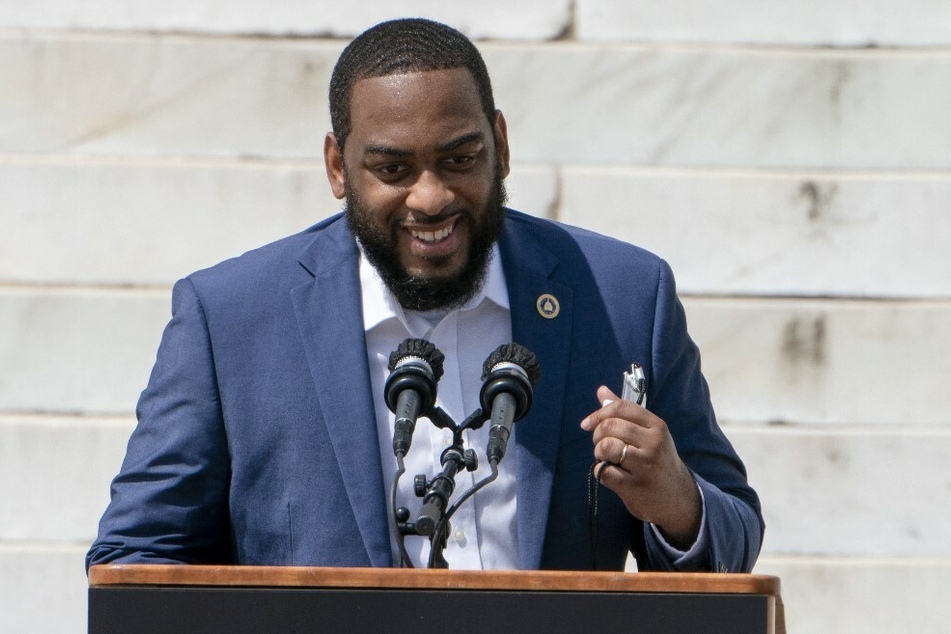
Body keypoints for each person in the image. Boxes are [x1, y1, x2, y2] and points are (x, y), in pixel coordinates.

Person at [86, 18, 763, 573]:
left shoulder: (621, 297)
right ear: (336, 167)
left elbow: (732, 541)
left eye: (460, 159)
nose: (431, 196)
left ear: (499, 144)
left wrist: (675, 502)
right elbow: (133, 560)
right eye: (392, 169)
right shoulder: (230, 319)